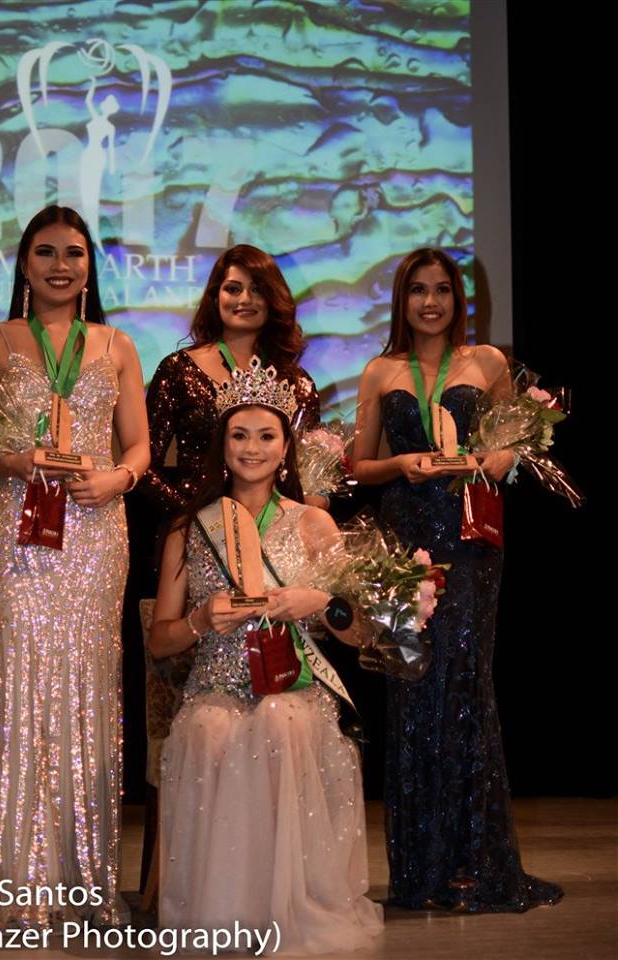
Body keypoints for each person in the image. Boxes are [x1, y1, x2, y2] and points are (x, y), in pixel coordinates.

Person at [148, 358, 383, 953]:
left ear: (286, 449)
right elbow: (160, 640)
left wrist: (319, 599)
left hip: (293, 686)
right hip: (217, 685)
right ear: (221, 444)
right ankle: (226, 913)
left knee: (278, 722)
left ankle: (289, 908)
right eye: (239, 434)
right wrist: (201, 619)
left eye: (266, 435)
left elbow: (360, 634)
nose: (252, 448)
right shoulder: (190, 528)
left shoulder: (315, 524)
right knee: (204, 729)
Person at [352, 247, 562, 912]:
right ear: (402, 299)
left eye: (441, 289)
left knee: (465, 686)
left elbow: (515, 444)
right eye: (418, 290)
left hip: (471, 542)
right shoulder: (379, 370)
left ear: (456, 298)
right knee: (413, 692)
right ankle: (419, 871)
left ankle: (476, 866)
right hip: (404, 542)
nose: (430, 302)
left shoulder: (488, 364)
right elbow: (359, 466)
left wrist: (495, 455)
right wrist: (402, 465)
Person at [0, 205, 150, 927]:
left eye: (74, 253)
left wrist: (117, 481)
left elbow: (135, 446)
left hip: (98, 529)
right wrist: (20, 459)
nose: (60, 265)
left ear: (89, 266)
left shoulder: (117, 345)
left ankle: (84, 877)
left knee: (88, 688)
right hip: (20, 530)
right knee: (21, 682)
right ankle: (19, 877)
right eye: (45, 252)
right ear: (23, 263)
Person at [139, 243, 321, 517]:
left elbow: (306, 473)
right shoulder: (178, 370)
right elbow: (142, 463)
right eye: (233, 289)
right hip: (193, 531)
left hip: (274, 536)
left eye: (257, 290)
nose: (245, 299)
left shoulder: (298, 384)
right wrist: (194, 519)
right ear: (215, 297)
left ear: (273, 299)